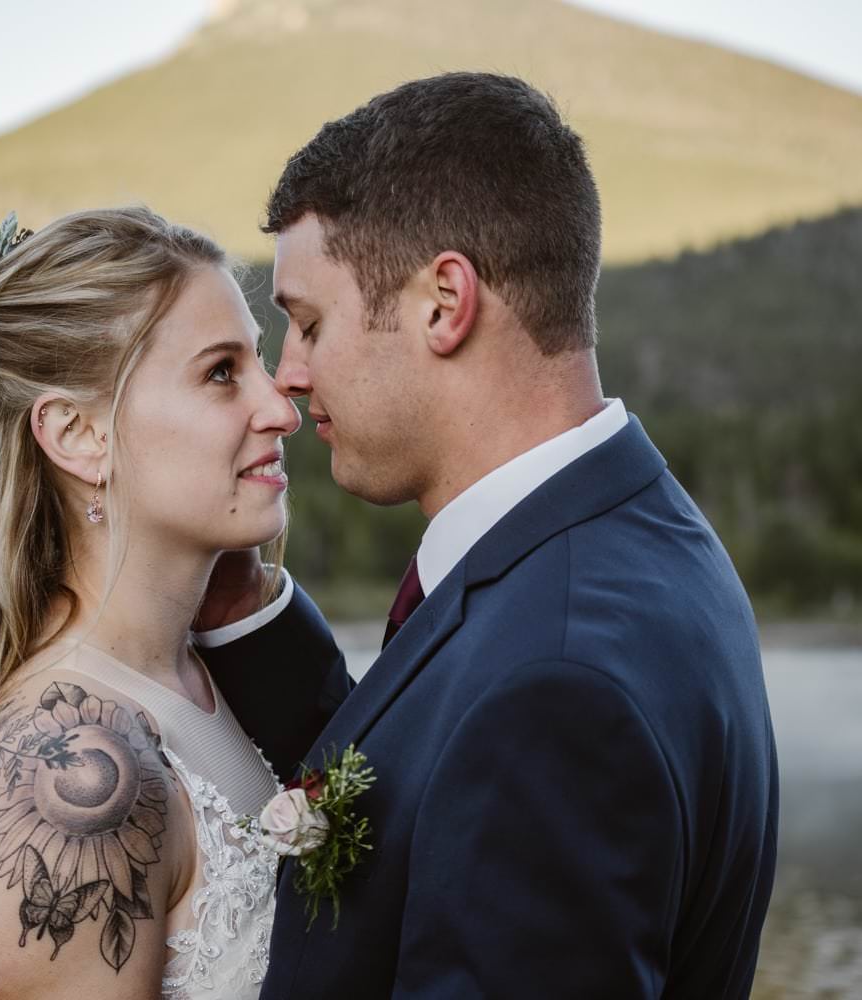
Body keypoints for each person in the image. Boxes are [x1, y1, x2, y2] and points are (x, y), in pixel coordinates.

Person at [194, 72, 781, 998]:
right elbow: (432, 799)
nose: (290, 378)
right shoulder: (633, 538)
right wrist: (247, 617)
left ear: (444, 301)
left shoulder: (557, 686)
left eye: (306, 323)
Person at [0, 207, 344, 1000]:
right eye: (220, 373)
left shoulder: (200, 680)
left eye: (258, 364)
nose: (280, 409)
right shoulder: (73, 765)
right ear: (77, 434)